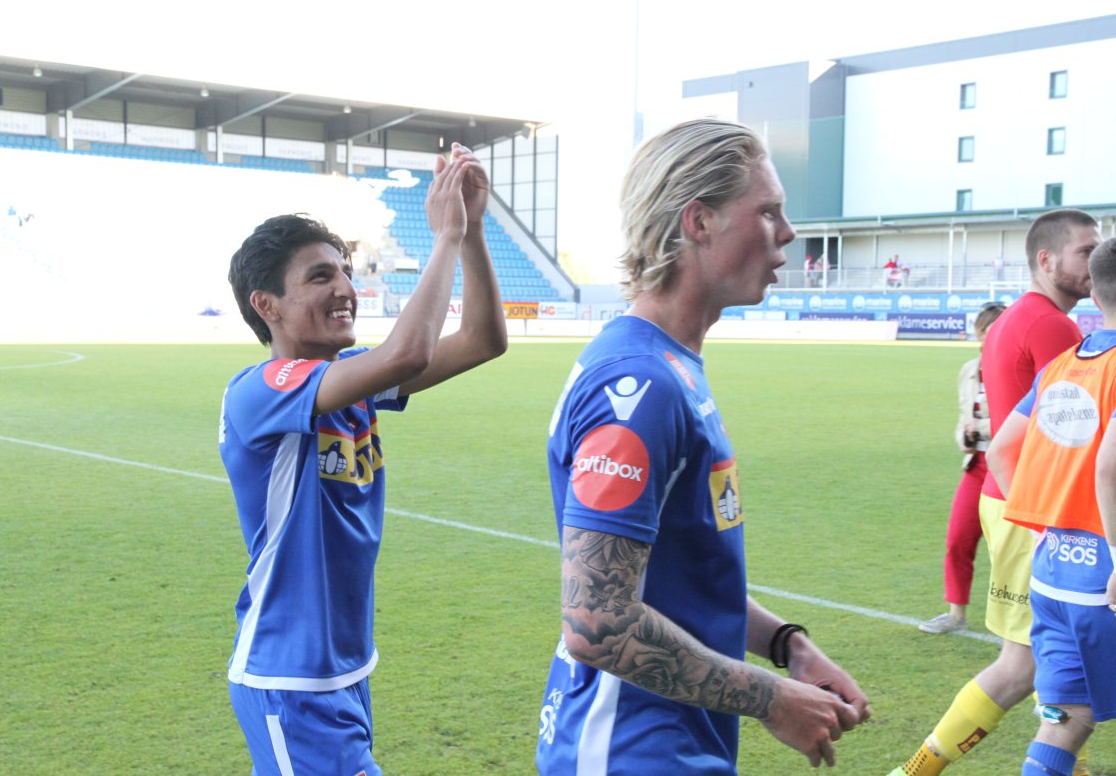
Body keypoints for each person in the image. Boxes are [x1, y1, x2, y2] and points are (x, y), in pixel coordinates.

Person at [536, 119, 871, 775]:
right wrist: (771, 697)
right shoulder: (639, 387)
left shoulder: (669, 366)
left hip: (670, 740)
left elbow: (677, 576)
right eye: (768, 211)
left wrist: (786, 646)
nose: (788, 232)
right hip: (629, 748)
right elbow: (597, 619)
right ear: (698, 221)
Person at [219, 143, 507, 775]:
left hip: (342, 670)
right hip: (290, 677)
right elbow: (407, 353)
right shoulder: (261, 390)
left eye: (345, 271)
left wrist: (476, 230)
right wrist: (446, 235)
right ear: (266, 305)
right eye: (321, 277)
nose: (347, 288)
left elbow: (484, 340)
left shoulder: (351, 376)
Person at [889, 208, 1100, 776]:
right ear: (1046, 260)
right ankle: (914, 771)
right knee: (1026, 666)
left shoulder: (1014, 320)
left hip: (1010, 502)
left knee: (1043, 663)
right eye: (1086, 251)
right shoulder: (1053, 327)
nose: (1095, 261)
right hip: (1033, 512)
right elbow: (1070, 432)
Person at [988, 235, 1116, 776]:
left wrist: (1047, 529)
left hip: (1055, 575)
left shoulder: (1062, 365)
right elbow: (1113, 466)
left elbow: (1002, 450)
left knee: (1066, 721)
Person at [919, 301, 1006, 634]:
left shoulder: (1013, 367)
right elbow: (962, 417)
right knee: (958, 539)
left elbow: (1019, 419)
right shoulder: (969, 370)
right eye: (985, 331)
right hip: (976, 464)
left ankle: (1013, 623)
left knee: (1007, 548)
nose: (989, 337)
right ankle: (955, 614)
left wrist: (980, 429)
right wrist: (965, 437)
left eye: (997, 329)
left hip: (1007, 465)